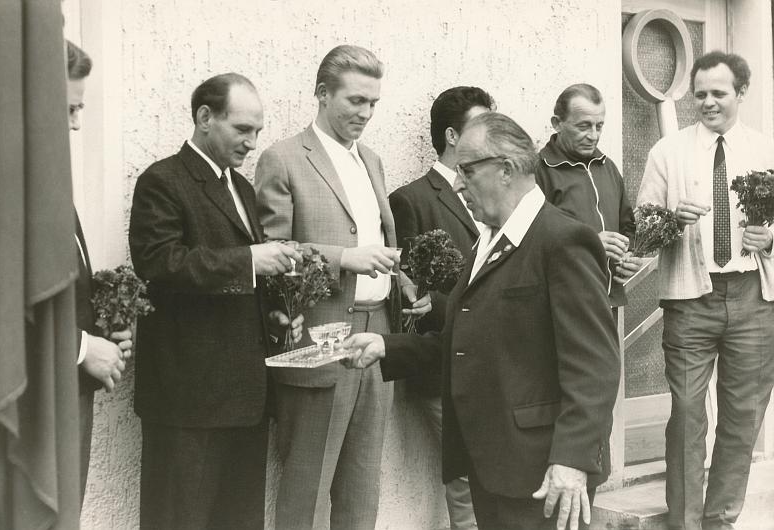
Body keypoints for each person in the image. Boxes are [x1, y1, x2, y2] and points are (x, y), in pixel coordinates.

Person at [344, 111, 620, 530]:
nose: (458, 184)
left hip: (545, 473)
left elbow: (595, 364)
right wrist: (387, 346)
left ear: (505, 170)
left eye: (467, 171)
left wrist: (572, 460)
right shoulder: (489, 242)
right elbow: (469, 340)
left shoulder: (563, 241)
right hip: (492, 463)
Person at [255, 44, 430, 529]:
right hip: (319, 337)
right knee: (307, 487)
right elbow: (272, 253)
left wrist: (402, 283)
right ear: (322, 93)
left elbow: (375, 238)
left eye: (373, 103)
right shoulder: (283, 159)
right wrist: (342, 259)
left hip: (377, 335)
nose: (366, 113)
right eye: (355, 100)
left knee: (362, 485)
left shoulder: (371, 160)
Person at [128, 73, 303, 530]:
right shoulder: (163, 180)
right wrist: (249, 260)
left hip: (243, 397)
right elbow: (159, 262)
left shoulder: (241, 187)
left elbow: (239, 281)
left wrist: (275, 316)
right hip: (188, 400)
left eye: (258, 131)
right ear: (205, 117)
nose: (252, 142)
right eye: (242, 129)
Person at [636, 51, 774, 530]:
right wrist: (672, 220)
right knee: (688, 413)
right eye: (700, 95)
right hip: (690, 299)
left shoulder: (765, 151)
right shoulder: (667, 152)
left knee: (743, 415)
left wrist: (770, 238)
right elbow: (643, 231)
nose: (709, 102)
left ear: (741, 93)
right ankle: (686, 523)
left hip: (754, 297)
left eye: (719, 93)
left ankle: (720, 520)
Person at [388, 85, 495, 530]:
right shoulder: (411, 200)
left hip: (497, 361)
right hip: (443, 363)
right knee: (467, 482)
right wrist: (437, 306)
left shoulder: (493, 193)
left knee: (495, 477)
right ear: (452, 136)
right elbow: (409, 298)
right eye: (480, 125)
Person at [65, 40, 133, 502]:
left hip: (68, 394)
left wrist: (103, 328)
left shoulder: (49, 185)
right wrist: (82, 347)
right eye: (69, 108)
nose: (76, 123)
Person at [536, 83, 641, 308]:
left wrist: (629, 256)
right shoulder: (538, 171)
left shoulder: (608, 167)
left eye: (599, 126)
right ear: (557, 123)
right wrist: (588, 243)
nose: (593, 136)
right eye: (583, 126)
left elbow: (627, 227)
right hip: (563, 306)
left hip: (609, 302)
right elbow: (529, 245)